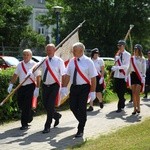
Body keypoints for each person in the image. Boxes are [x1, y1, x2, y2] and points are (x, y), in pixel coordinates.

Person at [61, 42, 97, 138]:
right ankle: (83, 120)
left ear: (81, 51)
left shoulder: (89, 62)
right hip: (74, 87)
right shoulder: (72, 61)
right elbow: (68, 75)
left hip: (84, 88)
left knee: (81, 108)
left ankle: (80, 129)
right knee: (72, 107)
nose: (72, 52)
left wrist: (93, 91)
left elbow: (93, 78)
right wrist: (64, 87)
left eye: (74, 50)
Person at [7, 49, 41, 130]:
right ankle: (30, 112)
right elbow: (15, 75)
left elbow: (38, 77)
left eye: (27, 55)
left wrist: (37, 88)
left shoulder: (34, 65)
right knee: (20, 104)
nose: (25, 56)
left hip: (30, 86)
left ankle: (24, 124)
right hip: (21, 86)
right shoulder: (19, 64)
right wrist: (11, 85)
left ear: (30, 56)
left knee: (26, 105)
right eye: (24, 55)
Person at [38, 43, 66, 134]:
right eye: (47, 50)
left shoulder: (59, 61)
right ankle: (56, 115)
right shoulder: (43, 60)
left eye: (50, 50)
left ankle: (47, 126)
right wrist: (31, 71)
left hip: (55, 85)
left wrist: (64, 87)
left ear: (54, 50)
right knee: (46, 105)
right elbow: (36, 68)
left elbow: (63, 74)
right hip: (45, 85)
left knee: (50, 105)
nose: (48, 51)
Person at [111, 40, 131, 113]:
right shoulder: (117, 54)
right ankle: (122, 100)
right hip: (117, 75)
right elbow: (116, 63)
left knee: (121, 92)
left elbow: (126, 66)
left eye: (120, 46)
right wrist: (114, 67)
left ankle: (119, 107)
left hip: (123, 76)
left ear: (123, 46)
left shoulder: (127, 55)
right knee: (117, 91)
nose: (118, 47)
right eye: (118, 46)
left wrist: (117, 67)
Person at [126, 44, 146, 114]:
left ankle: (138, 107)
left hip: (139, 76)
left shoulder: (142, 59)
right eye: (135, 49)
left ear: (139, 50)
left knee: (137, 93)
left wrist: (143, 77)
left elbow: (144, 68)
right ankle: (134, 109)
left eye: (137, 49)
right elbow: (129, 67)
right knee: (133, 93)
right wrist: (126, 76)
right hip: (133, 75)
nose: (135, 50)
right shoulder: (132, 58)